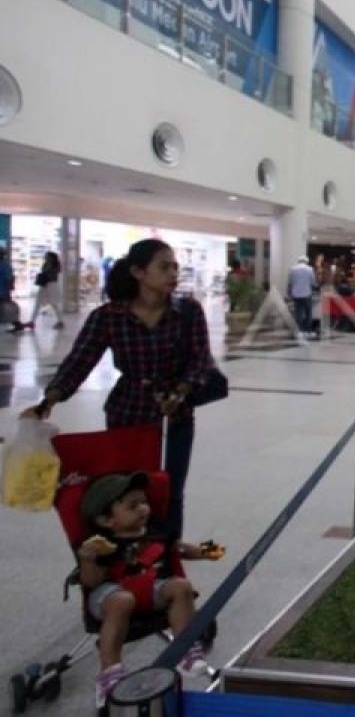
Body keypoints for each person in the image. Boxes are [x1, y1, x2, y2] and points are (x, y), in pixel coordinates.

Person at [24, 239, 214, 539]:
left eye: (175, 267)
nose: (173, 274)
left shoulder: (188, 311)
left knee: (171, 488)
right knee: (129, 490)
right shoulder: (109, 316)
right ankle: (130, 551)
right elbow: (79, 361)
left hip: (177, 414)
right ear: (138, 272)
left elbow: (200, 359)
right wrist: (49, 400)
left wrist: (181, 391)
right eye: (164, 267)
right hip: (128, 412)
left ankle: (166, 552)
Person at [77, 472, 217, 706]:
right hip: (110, 593)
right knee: (122, 601)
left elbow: (181, 549)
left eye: (144, 502)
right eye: (133, 506)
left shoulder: (158, 530)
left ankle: (185, 649)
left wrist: (212, 550)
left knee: (181, 586)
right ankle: (109, 674)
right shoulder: (99, 543)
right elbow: (91, 582)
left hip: (151, 587)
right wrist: (87, 561)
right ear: (107, 520)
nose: (143, 508)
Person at [26, 250, 64, 329]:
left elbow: (52, 274)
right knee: (38, 302)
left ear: (52, 257)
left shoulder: (56, 265)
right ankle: (32, 321)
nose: (45, 257)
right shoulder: (45, 264)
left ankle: (60, 321)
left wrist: (47, 272)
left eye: (47, 256)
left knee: (54, 303)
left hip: (52, 285)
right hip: (44, 285)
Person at [287, 255, 317, 337]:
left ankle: (299, 331)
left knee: (298, 313)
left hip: (296, 295)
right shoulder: (310, 269)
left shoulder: (293, 269)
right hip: (307, 294)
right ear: (306, 261)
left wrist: (289, 293)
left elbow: (290, 283)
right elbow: (313, 282)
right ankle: (308, 331)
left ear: (298, 261)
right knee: (308, 313)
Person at [0, 248, 23, 333]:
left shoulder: (5, 265)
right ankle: (17, 324)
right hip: (3, 291)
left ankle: (17, 324)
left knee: (6, 308)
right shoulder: (6, 265)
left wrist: (8, 290)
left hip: (2, 291)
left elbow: (9, 279)